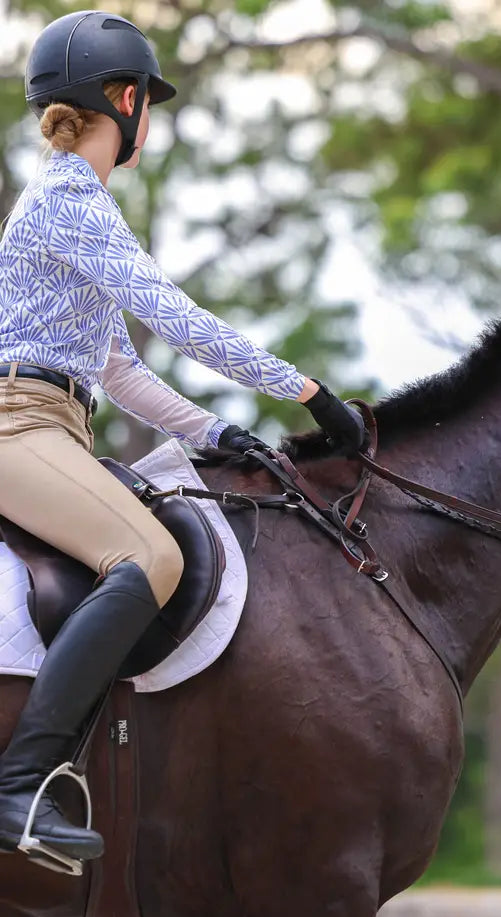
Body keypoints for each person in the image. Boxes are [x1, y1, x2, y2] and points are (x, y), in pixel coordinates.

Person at [0, 9, 366, 865]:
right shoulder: (68, 198)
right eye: (146, 102)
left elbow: (119, 367)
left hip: (55, 419)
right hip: (17, 423)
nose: (148, 119)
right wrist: (306, 390)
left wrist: (220, 432)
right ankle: (20, 784)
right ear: (124, 100)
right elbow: (175, 316)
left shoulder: (74, 206)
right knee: (151, 559)